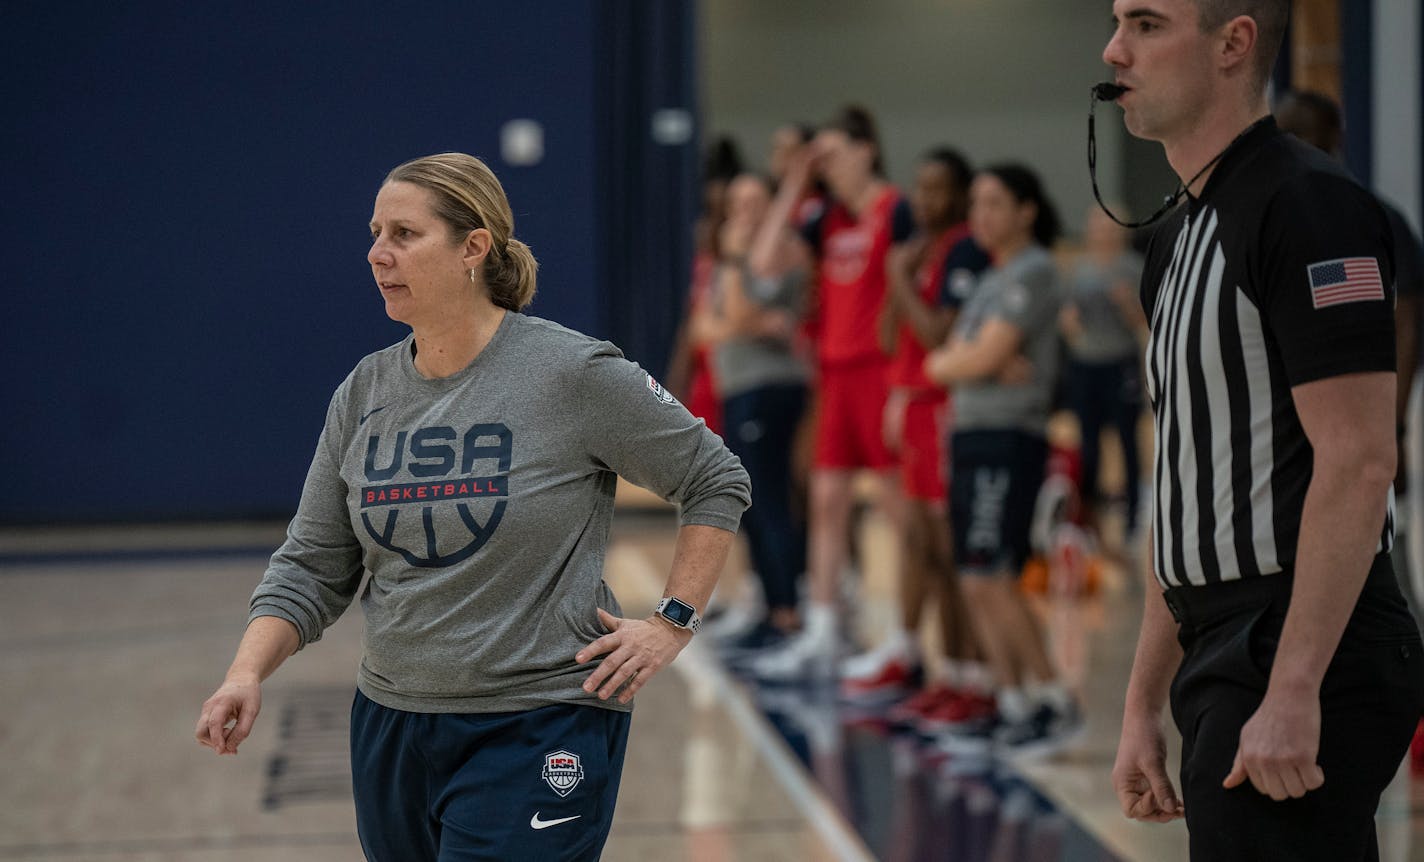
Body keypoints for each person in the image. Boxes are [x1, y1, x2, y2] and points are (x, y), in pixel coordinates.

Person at [194, 153, 751, 861]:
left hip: (540, 722)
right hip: (394, 725)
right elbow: (312, 563)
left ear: (473, 248)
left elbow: (714, 477)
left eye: (403, 233)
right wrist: (244, 672)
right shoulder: (364, 392)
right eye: (374, 232)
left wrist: (673, 622)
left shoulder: (571, 373)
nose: (377, 253)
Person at [1102, 3, 1424, 859]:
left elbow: (1360, 460)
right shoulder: (1174, 238)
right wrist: (1141, 704)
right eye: (1115, 22)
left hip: (1305, 637)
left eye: (1145, 23)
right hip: (1221, 641)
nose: (1113, 49)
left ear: (1233, 43)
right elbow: (1184, 490)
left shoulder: (1310, 206)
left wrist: (1294, 686)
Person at [747, 105, 914, 680]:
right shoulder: (827, 219)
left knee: (897, 510)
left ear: (867, 149)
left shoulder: (897, 209)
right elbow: (764, 262)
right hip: (835, 377)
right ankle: (822, 632)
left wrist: (904, 384)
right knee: (825, 504)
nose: (831, 166)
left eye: (837, 152)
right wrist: (796, 178)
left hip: (881, 373)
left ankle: (905, 636)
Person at [925, 163, 1081, 753]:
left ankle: (1053, 701)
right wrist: (966, 360)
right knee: (974, 577)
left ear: (1027, 210)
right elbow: (943, 362)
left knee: (993, 575)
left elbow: (976, 357)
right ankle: (1014, 701)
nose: (980, 215)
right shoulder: (991, 279)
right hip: (972, 434)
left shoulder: (1035, 269)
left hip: (1008, 437)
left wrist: (971, 359)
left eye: (994, 202)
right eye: (976, 203)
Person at [842, 148, 993, 710]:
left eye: (939, 189)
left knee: (947, 550)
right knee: (922, 547)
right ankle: (938, 670)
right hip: (911, 407)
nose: (927, 200)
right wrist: (898, 275)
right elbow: (888, 338)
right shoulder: (917, 252)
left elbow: (935, 335)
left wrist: (899, 275)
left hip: (943, 407)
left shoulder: (965, 250)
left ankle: (970, 678)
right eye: (921, 188)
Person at [1274, 88, 1424, 631]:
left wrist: (1393, 424)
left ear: (1334, 139)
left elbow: (1403, 323)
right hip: (1295, 445)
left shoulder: (1367, 217)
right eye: (1282, 132)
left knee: (1387, 579)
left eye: (1303, 132)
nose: (1292, 145)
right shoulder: (1275, 223)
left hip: (1363, 431)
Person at [693, 172, 812, 649]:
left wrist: (737, 267)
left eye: (754, 202)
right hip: (740, 385)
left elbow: (737, 316)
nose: (743, 212)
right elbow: (705, 326)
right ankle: (769, 606)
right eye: (736, 203)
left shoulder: (778, 251)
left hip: (769, 387)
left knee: (770, 498)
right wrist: (737, 319)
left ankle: (787, 614)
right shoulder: (736, 260)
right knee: (752, 502)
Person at [1059, 206, 1147, 542]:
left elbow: (1142, 321)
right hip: (1085, 363)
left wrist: (1126, 304)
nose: (1103, 235)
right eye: (1098, 229)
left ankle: (1133, 514)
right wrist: (1068, 324)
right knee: (1088, 442)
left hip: (1119, 362)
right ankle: (1090, 514)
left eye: (1110, 229)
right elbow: (1065, 317)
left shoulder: (1132, 268)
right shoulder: (1079, 269)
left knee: (1127, 438)